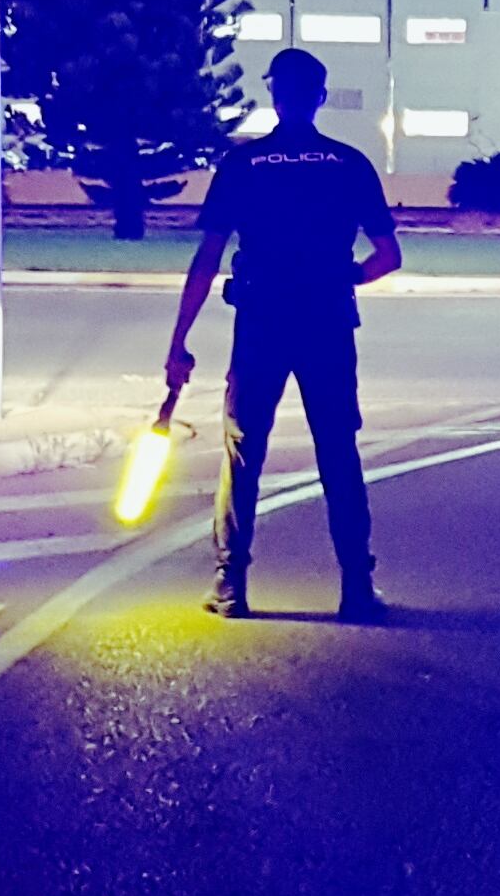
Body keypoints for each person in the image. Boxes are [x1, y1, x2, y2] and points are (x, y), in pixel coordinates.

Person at [166, 47, 402, 619]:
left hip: (261, 323)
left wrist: (179, 342)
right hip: (326, 321)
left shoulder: (243, 166)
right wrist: (346, 273)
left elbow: (207, 258)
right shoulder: (349, 164)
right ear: (319, 97)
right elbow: (389, 256)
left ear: (275, 96)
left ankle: (230, 584)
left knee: (244, 449)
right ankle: (355, 588)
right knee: (338, 451)